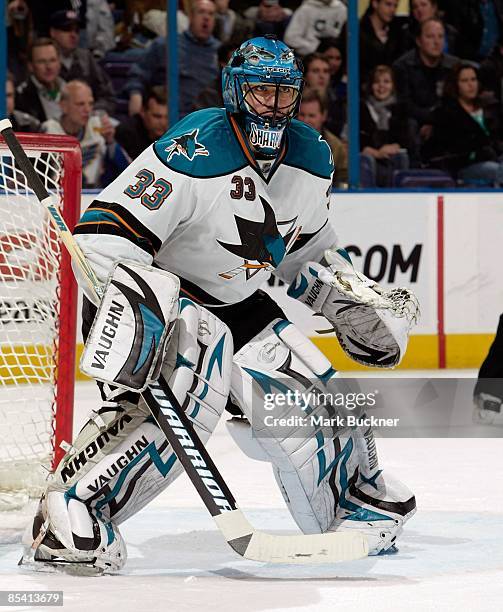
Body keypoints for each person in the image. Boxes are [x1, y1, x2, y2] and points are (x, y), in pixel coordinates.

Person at [21, 37, 418, 573]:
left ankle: (353, 500)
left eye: (284, 94)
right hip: (162, 300)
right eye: (262, 92)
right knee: (193, 378)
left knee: (311, 387)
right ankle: (73, 512)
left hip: (237, 303)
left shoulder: (312, 157)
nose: (274, 106)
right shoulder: (194, 149)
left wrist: (337, 296)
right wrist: (143, 305)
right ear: (236, 90)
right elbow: (102, 236)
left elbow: (301, 252)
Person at [125, 0, 220, 118]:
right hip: (170, 117)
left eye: (211, 14)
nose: (206, 18)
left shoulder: (219, 52)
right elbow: (139, 73)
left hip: (207, 119)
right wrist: (135, 94)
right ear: (190, 16)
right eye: (201, 12)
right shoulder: (166, 44)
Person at [422, 63, 503, 185]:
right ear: (455, 85)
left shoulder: (490, 108)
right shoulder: (446, 113)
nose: (471, 85)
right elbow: (451, 149)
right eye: (464, 81)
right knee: (498, 171)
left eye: (473, 79)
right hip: (464, 166)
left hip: (495, 158)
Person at [42, 80, 129, 188]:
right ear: (63, 106)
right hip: (57, 195)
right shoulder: (49, 130)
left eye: (91, 103)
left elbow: (127, 170)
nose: (87, 110)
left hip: (94, 194)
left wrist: (110, 142)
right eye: (80, 104)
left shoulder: (99, 125)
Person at [392, 18, 459, 141]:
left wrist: (435, 122)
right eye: (430, 37)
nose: (436, 42)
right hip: (413, 121)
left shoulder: (453, 66)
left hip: (443, 120)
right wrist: (430, 119)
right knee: (409, 124)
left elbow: (454, 101)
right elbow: (404, 105)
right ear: (418, 41)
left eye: (440, 37)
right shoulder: (402, 66)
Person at [49, 9, 116, 115]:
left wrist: (94, 110)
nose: (73, 35)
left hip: (87, 118)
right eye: (67, 29)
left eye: (76, 30)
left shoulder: (86, 58)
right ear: (53, 32)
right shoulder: (43, 58)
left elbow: (107, 96)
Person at [360, 65, 412, 187]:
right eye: (377, 82)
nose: (381, 86)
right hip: (368, 153)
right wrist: (375, 152)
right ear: (370, 85)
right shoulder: (361, 107)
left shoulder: (401, 109)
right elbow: (356, 136)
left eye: (386, 81)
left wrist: (395, 146)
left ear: (393, 85)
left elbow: (407, 138)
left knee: (401, 156)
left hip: (393, 155)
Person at [298, 87, 348, 186]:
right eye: (302, 115)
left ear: (323, 116)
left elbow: (343, 181)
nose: (306, 121)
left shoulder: (335, 146)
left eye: (311, 116)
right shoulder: (284, 141)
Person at [16, 38, 66, 123]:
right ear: (30, 66)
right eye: (42, 61)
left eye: (52, 60)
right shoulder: (21, 97)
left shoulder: (69, 88)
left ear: (59, 63)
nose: (49, 67)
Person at [115, 86, 168, 160]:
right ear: (142, 112)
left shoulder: (176, 133)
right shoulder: (126, 133)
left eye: (167, 117)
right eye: (157, 116)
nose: (163, 122)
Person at [359, 0, 405, 83]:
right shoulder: (357, 30)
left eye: (395, 6)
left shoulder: (397, 32)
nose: (392, 10)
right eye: (388, 4)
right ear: (375, 3)